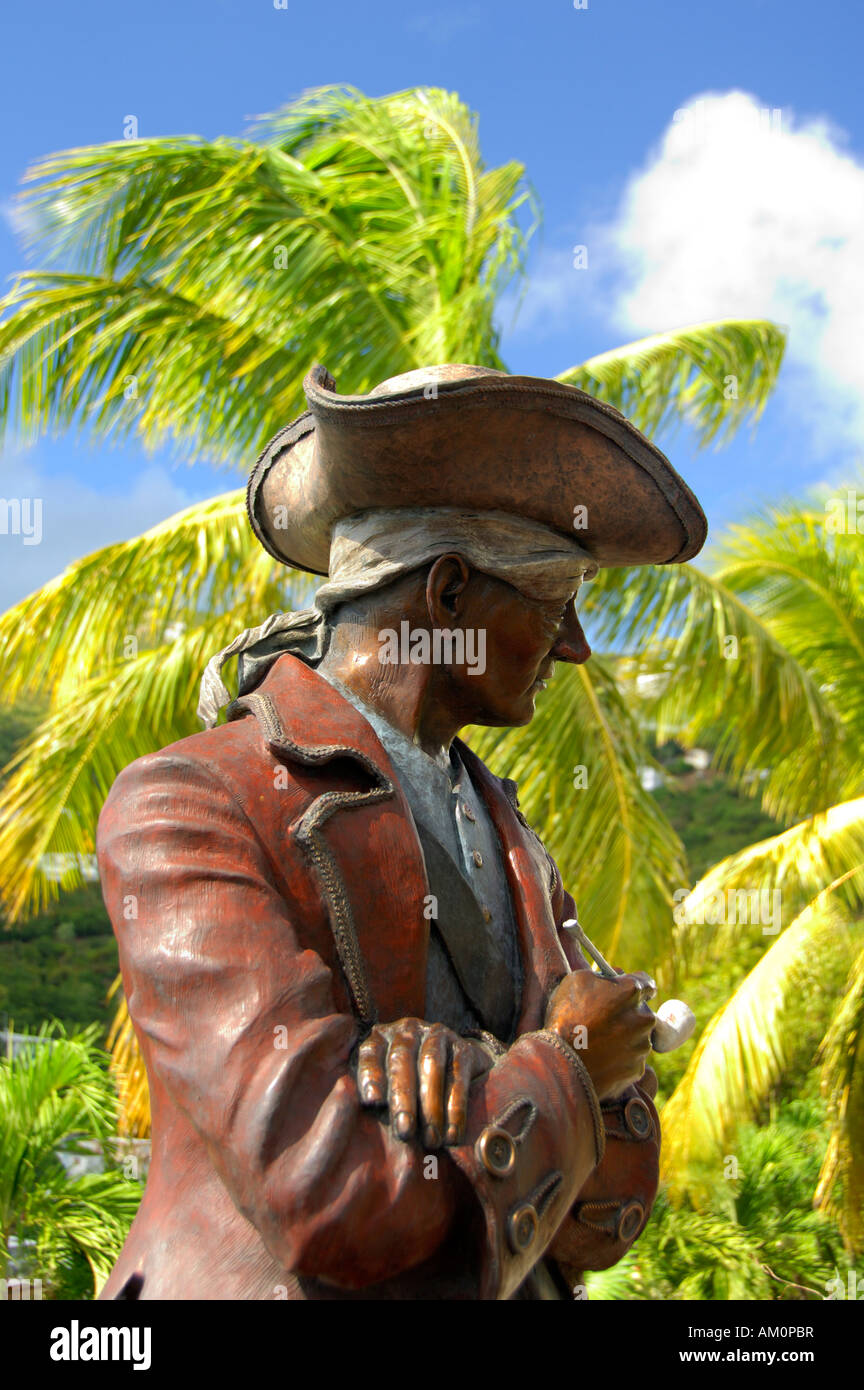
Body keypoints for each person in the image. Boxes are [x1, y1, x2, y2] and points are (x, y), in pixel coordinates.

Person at [96, 362, 707, 1300]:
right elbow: (328, 1191)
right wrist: (564, 1061)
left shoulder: (511, 833)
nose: (577, 646)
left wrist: (483, 1077)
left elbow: (603, 1213)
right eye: (555, 599)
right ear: (450, 596)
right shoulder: (191, 803)